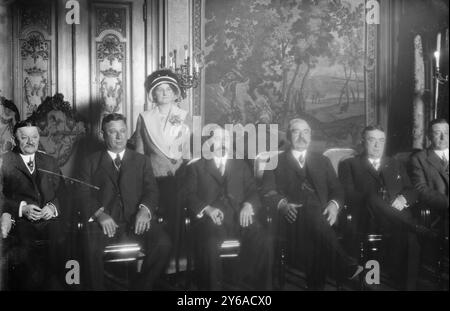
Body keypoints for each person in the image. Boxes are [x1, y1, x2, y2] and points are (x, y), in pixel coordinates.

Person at [261, 118, 362, 290]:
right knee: (310, 206)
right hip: (290, 221)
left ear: (310, 135)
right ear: (287, 136)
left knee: (314, 225)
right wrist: (283, 205)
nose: (302, 136)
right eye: (296, 131)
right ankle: (344, 264)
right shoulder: (274, 161)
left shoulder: (322, 161)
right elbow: (267, 192)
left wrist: (333, 206)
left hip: (323, 219)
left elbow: (337, 190)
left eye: (306, 132)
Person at [79, 113, 171, 290]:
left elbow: (152, 190)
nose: (119, 136)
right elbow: (82, 193)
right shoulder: (90, 162)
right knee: (90, 249)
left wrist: (144, 210)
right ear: (102, 134)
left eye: (122, 131)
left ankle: (141, 287)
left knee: (163, 244)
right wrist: (99, 214)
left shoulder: (141, 161)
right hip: (104, 224)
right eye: (113, 132)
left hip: (136, 221)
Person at [183, 127, 272, 290]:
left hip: (239, 218)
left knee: (264, 240)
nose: (223, 142)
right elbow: (188, 195)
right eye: (218, 139)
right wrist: (207, 209)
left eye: (227, 139)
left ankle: (261, 291)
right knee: (210, 243)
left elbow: (253, 191)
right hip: (211, 221)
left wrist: (248, 205)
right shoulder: (196, 167)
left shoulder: (240, 165)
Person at [338, 125, 424, 290]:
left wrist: (403, 198)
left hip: (396, 219)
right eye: (372, 140)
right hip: (367, 218)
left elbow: (412, 190)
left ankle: (407, 287)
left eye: (381, 141)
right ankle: (372, 284)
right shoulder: (349, 164)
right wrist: (373, 201)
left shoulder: (394, 163)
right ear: (363, 142)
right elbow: (347, 193)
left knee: (410, 240)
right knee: (373, 201)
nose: (377, 145)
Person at [129, 69, 190, 259]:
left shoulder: (184, 116)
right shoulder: (145, 118)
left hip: (180, 177)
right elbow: (139, 154)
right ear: (153, 94)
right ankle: (160, 258)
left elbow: (189, 152)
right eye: (159, 90)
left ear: (175, 93)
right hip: (154, 178)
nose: (164, 93)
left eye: (168, 89)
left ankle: (177, 259)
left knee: (180, 206)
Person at [0, 120, 64, 290]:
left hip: (50, 224)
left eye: (34, 137)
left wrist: (53, 207)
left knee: (64, 252)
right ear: (15, 139)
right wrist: (21, 209)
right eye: (24, 138)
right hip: (20, 225)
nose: (30, 142)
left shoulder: (49, 161)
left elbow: (64, 192)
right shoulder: (4, 161)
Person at [410, 118, 448, 239]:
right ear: (429, 136)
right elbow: (420, 188)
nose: (443, 137)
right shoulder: (419, 158)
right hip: (439, 215)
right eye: (437, 133)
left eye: (446, 133)